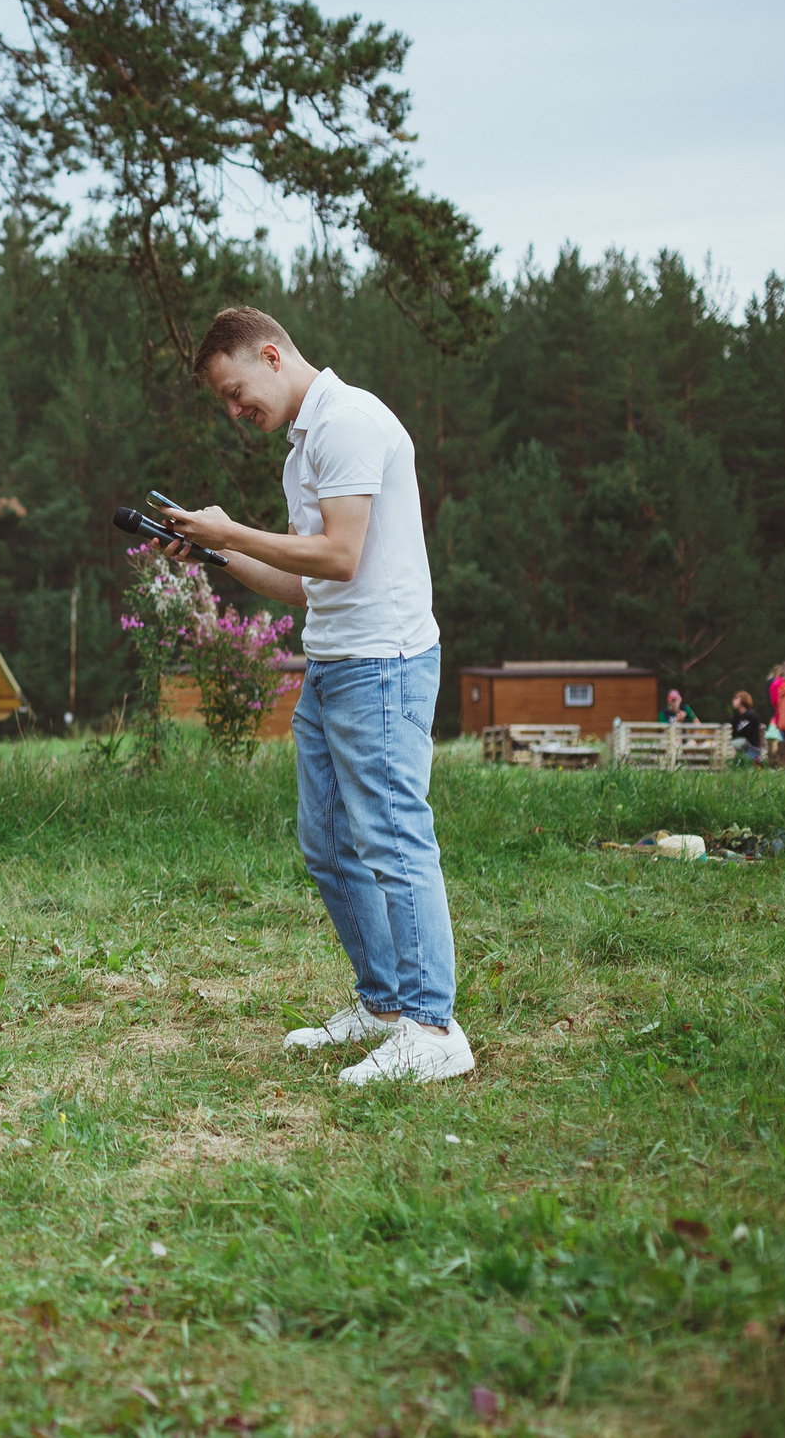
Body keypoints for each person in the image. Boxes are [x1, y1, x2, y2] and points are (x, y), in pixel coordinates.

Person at [158, 306, 472, 1085]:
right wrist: (215, 553)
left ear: (271, 354)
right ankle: (385, 1004)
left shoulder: (350, 422)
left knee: (394, 837)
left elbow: (338, 553)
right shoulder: (302, 452)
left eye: (236, 391)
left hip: (385, 663)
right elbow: (307, 582)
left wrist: (231, 530)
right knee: (328, 846)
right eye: (225, 403)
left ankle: (434, 1028)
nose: (235, 413)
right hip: (331, 664)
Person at [729, 689, 767, 764]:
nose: (733, 700)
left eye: (736, 698)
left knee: (730, 746)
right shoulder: (737, 716)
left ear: (743, 700)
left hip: (750, 744)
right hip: (741, 741)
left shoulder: (751, 715)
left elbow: (748, 734)